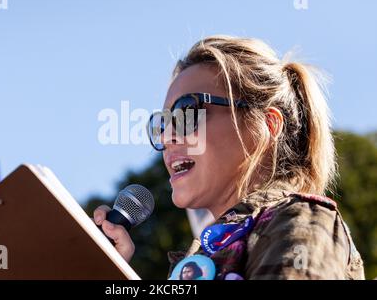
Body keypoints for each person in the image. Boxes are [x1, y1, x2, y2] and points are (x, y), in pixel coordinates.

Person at [93, 35, 365, 279]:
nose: (166, 137)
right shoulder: (202, 258)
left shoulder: (302, 219)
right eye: (162, 124)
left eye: (186, 112)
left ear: (266, 126)